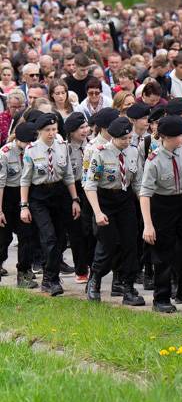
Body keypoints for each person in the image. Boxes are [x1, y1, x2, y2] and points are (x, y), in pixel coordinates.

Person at [138, 115, 182, 313]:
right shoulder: (154, 160)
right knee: (163, 254)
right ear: (166, 137)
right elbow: (145, 194)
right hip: (162, 205)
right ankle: (161, 297)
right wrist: (148, 225)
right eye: (178, 136)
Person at [83, 117, 145, 307]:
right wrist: (98, 212)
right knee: (107, 244)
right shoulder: (100, 153)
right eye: (123, 139)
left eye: (129, 138)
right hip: (105, 200)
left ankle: (127, 287)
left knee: (130, 244)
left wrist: (145, 210)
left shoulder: (133, 152)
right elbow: (90, 185)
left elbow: (139, 184)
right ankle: (95, 280)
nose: (127, 142)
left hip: (125, 200)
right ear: (113, 137)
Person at [20, 112, 81, 296]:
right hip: (39, 196)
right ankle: (50, 279)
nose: (52, 133)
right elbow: (25, 180)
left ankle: (51, 275)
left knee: (61, 239)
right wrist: (24, 206)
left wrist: (75, 199)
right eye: (47, 130)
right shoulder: (31, 149)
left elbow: (68, 175)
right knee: (49, 238)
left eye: (54, 129)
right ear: (39, 131)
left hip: (59, 194)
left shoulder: (62, 146)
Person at [0, 122, 39, 289]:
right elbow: (0, 183)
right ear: (18, 139)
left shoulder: (35, 150)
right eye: (26, 142)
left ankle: (24, 271)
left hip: (25, 196)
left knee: (27, 236)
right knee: (4, 238)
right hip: (7, 195)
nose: (29, 145)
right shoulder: (5, 154)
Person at [64, 112, 94, 284]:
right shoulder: (66, 148)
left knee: (91, 230)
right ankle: (80, 268)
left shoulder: (92, 145)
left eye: (85, 127)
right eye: (79, 128)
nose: (84, 131)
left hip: (90, 188)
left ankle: (91, 264)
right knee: (77, 232)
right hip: (73, 189)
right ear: (71, 131)